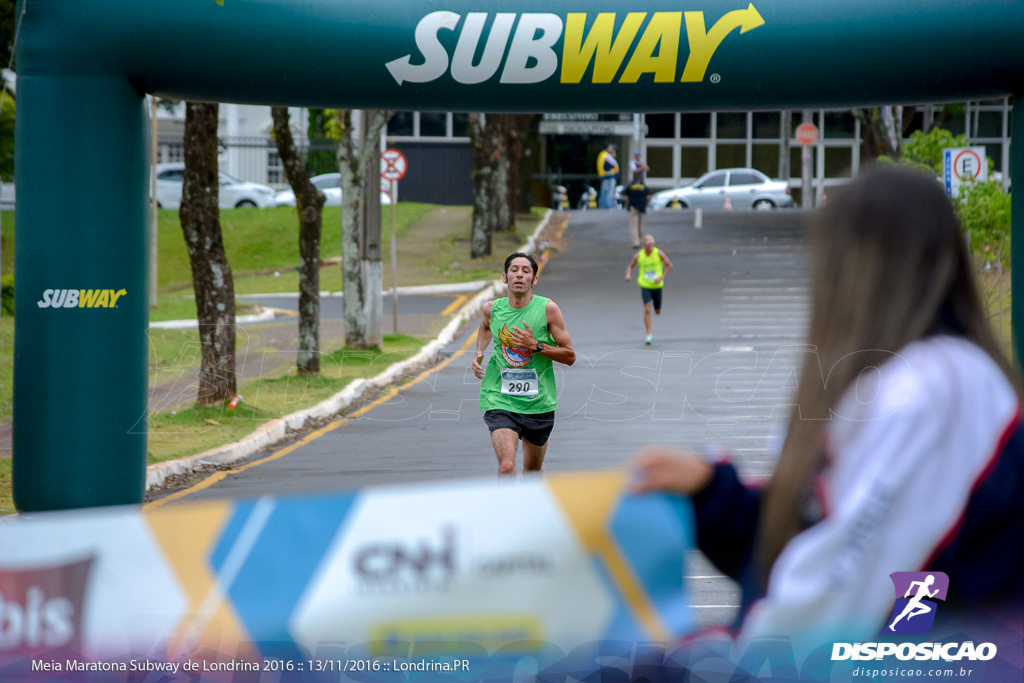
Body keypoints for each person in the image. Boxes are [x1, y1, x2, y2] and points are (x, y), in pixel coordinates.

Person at [631, 167, 1024, 648]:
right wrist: (715, 494)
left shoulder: (933, 390)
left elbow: (837, 590)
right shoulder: (905, 377)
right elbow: (825, 539)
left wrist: (695, 658)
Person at [472, 252, 576, 476]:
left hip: (538, 403)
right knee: (507, 467)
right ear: (505, 277)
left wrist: (536, 345)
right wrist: (479, 351)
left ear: (534, 280)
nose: (519, 275)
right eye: (514, 270)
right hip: (500, 398)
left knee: (532, 471)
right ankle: (506, 511)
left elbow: (569, 356)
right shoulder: (492, 308)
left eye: (526, 271)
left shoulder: (548, 310)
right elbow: (485, 326)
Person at [625, 234, 672, 345]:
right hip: (645, 285)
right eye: (648, 243)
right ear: (644, 245)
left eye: (652, 243)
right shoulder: (639, 255)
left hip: (657, 286)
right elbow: (630, 266)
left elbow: (669, 265)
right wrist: (628, 275)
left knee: (657, 311)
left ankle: (656, 310)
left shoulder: (659, 254)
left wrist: (662, 277)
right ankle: (649, 334)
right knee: (647, 308)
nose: (651, 245)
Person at [624, 172, 650, 249]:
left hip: (634, 207)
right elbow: (648, 197)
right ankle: (642, 241)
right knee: (640, 226)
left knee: (633, 226)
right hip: (642, 207)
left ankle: (636, 242)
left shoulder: (630, 186)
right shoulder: (644, 186)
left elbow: (626, 197)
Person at [596, 144, 619, 209]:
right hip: (609, 176)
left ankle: (603, 206)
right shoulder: (606, 155)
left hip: (603, 176)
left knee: (604, 191)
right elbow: (615, 164)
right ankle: (610, 206)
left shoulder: (600, 155)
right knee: (610, 192)